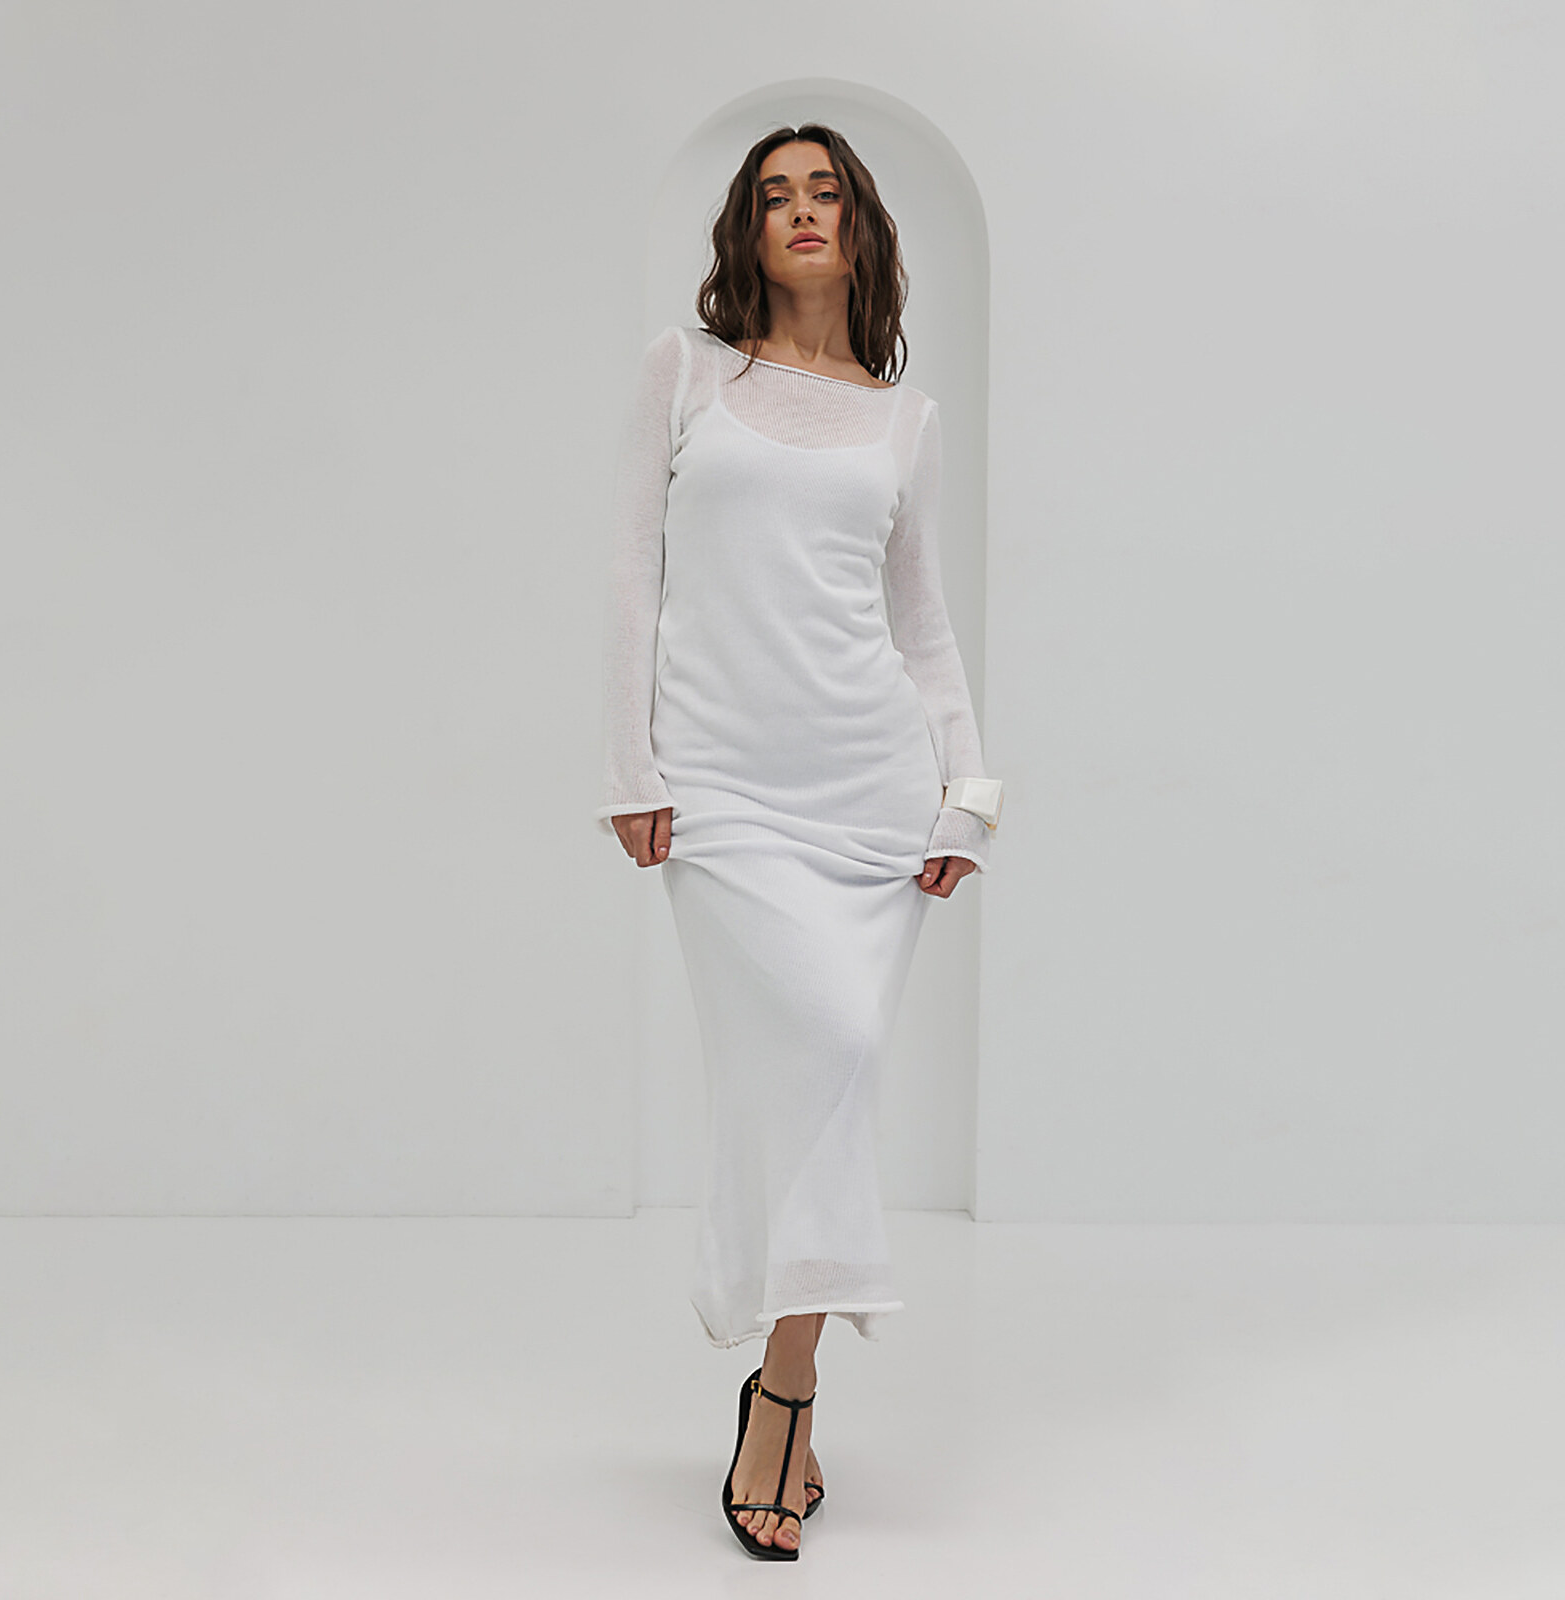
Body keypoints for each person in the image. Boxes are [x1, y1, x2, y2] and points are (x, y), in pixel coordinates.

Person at [594, 123, 1003, 1561]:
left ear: (862, 226)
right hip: (723, 791)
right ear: (748, 233)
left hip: (872, 790)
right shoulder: (688, 373)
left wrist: (969, 790)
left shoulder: (905, 420)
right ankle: (786, 1384)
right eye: (776, 196)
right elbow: (632, 574)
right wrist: (628, 765)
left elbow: (920, 621)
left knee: (834, 1067)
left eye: (826, 191)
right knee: (818, 1046)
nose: (803, 212)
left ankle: (785, 1384)